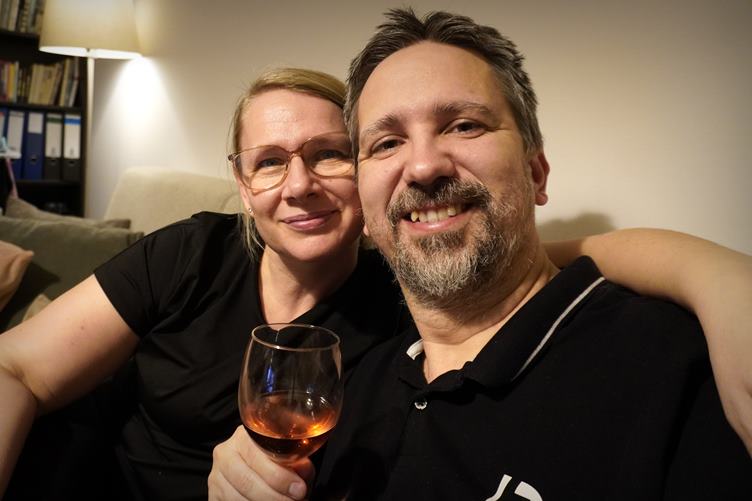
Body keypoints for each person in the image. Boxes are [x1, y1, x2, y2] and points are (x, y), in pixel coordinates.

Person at [0, 68, 749, 500]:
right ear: (242, 183)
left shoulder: (410, 285)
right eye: (269, 162)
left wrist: (718, 276)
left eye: (328, 154)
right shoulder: (190, 251)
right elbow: (19, 367)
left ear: (364, 174)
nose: (300, 185)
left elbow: (549, 253)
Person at [208, 9, 752, 501]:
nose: (424, 167)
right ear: (366, 208)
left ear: (535, 172)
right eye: (386, 143)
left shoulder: (678, 367)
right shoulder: (352, 383)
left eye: (463, 125)